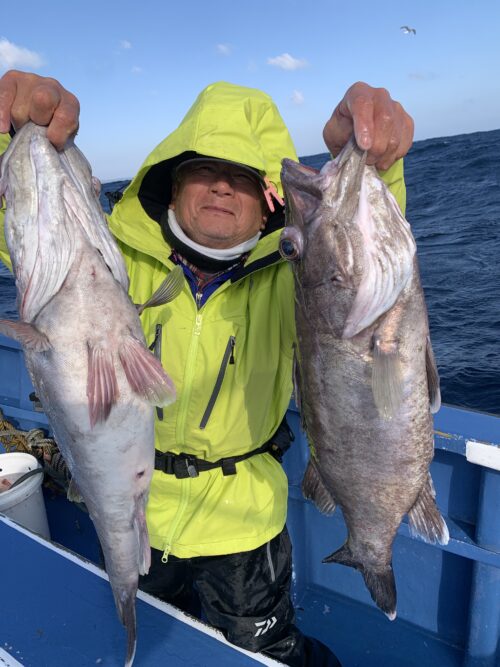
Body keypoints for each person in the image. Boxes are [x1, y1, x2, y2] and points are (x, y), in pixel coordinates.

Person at [0, 70, 413, 666]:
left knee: (268, 653)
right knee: (150, 641)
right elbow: (20, 220)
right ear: (171, 188)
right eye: (202, 169)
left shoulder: (295, 279)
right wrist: (13, 130)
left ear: (268, 204)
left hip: (245, 523)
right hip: (138, 508)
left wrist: (376, 165)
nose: (222, 185)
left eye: (242, 177)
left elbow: (366, 267)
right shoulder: (103, 255)